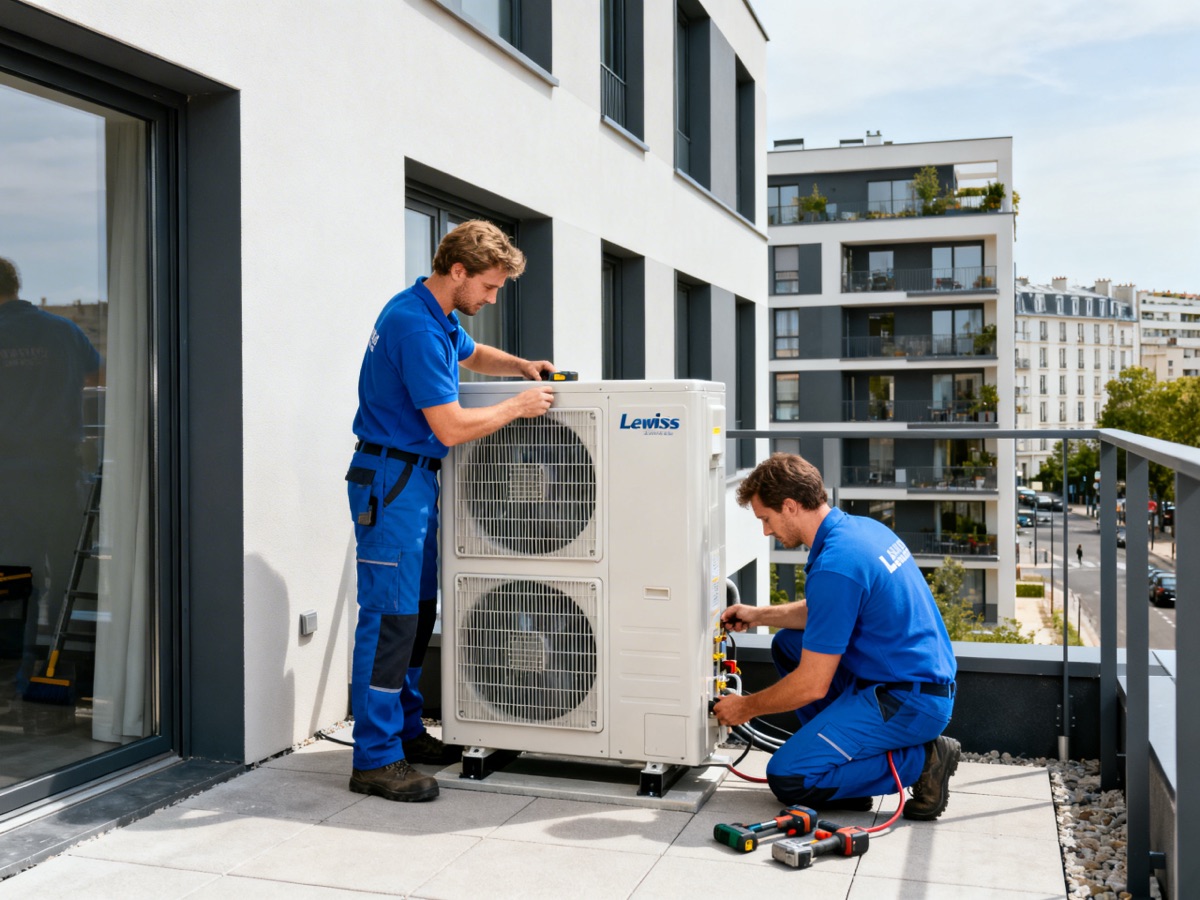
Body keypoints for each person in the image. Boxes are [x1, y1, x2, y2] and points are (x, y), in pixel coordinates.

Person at [346, 220, 555, 802]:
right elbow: (451, 425)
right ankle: (375, 758)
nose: (492, 299)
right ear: (458, 271)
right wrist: (518, 406)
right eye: (489, 287)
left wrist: (519, 367)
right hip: (392, 484)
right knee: (389, 620)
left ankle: (407, 734)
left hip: (411, 481)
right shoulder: (413, 326)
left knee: (416, 614)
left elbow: (472, 352)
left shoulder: (435, 315)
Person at [714, 453, 960, 820]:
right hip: (902, 680)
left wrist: (744, 708)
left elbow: (813, 684)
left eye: (766, 519)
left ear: (791, 506)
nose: (766, 531)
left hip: (909, 701)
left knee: (789, 778)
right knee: (788, 646)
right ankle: (844, 771)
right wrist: (758, 614)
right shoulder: (859, 530)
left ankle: (925, 759)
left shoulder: (836, 564)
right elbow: (825, 611)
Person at [0, 257, 102, 686]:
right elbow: (99, 373)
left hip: (8, 478)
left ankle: (17, 673)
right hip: (60, 472)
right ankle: (56, 670)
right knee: (63, 572)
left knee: (15, 579)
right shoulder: (64, 331)